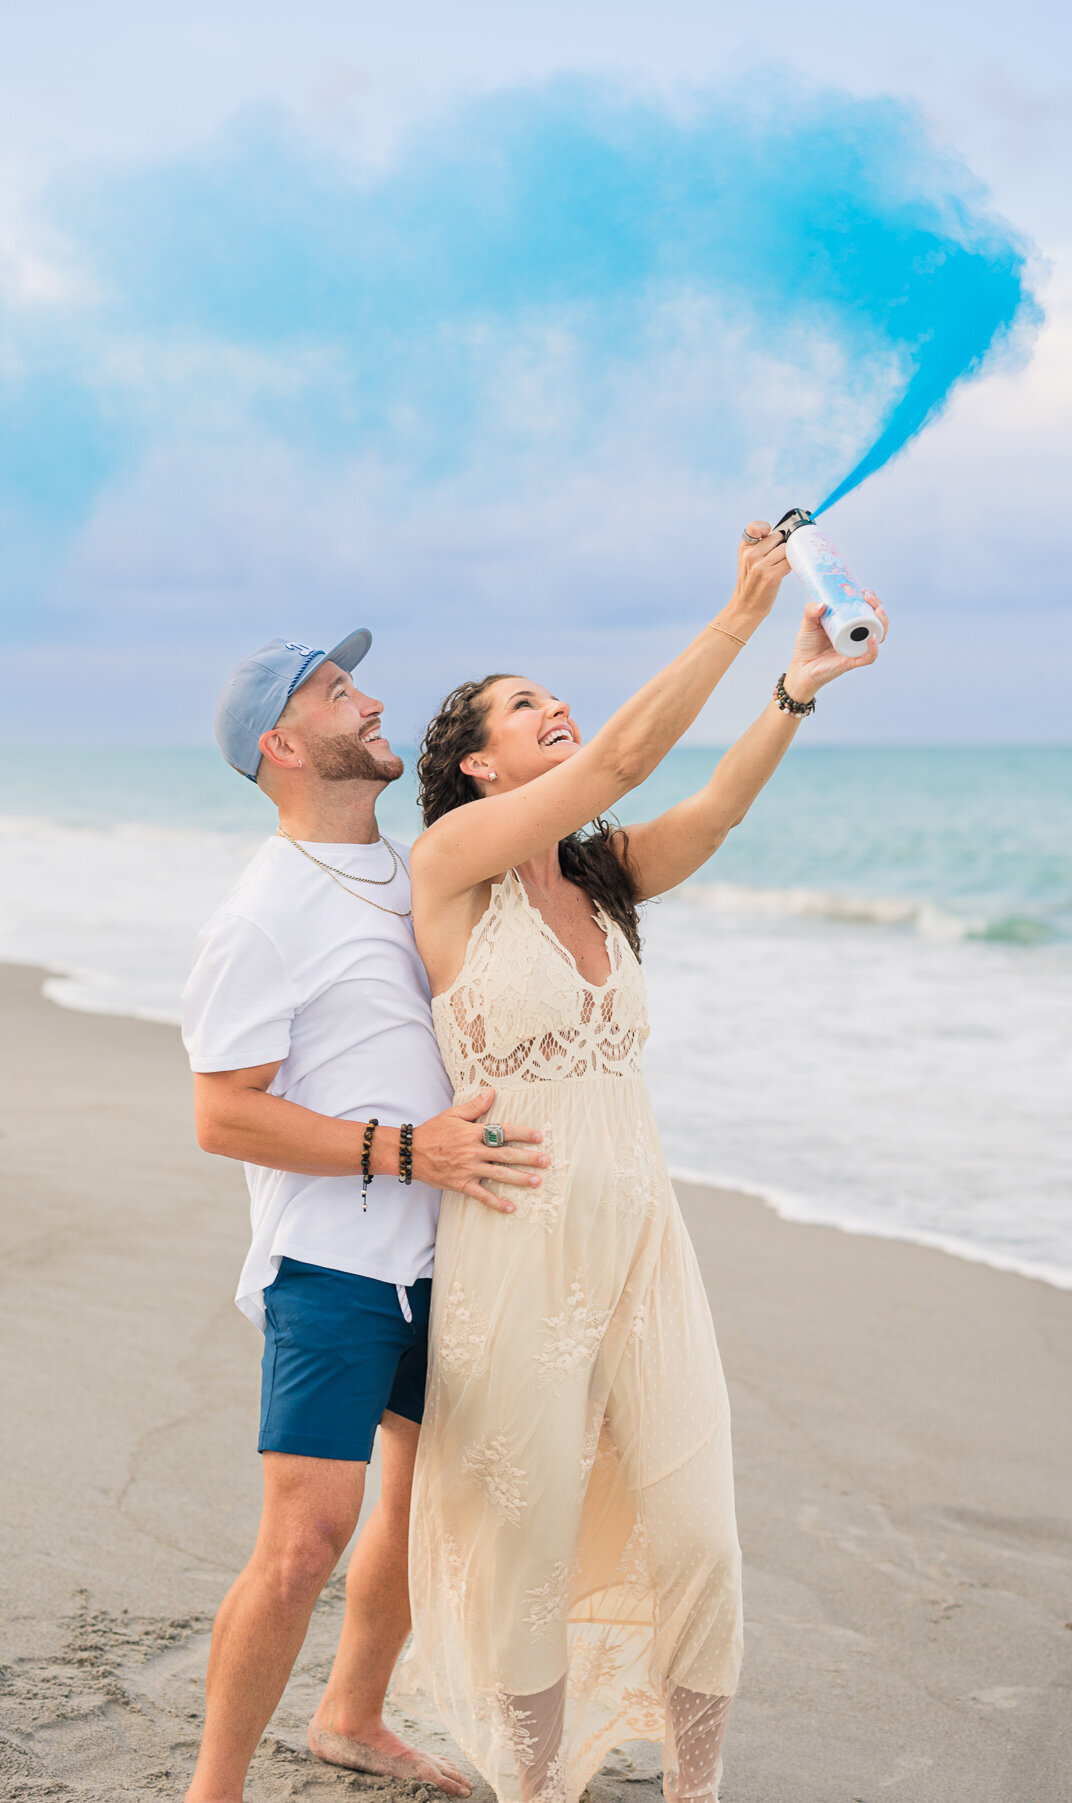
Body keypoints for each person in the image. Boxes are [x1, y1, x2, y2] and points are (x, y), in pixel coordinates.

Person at [399, 520, 888, 1803]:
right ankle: (536, 1787)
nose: (555, 708)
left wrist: (793, 684)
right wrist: (733, 616)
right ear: (473, 763)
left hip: (642, 1238)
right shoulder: (450, 867)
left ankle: (696, 1788)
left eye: (554, 694)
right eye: (524, 705)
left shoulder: (600, 871)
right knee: (530, 1545)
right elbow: (622, 750)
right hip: (516, 1248)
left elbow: (708, 812)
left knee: (700, 1537)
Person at [179, 629, 549, 1803]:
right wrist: (404, 1150)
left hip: (455, 1253)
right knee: (304, 1543)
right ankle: (214, 1789)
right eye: (341, 693)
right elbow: (222, 1116)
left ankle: (351, 1716)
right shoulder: (259, 915)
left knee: (422, 1502)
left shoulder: (428, 867)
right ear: (284, 746)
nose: (372, 699)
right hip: (333, 1265)